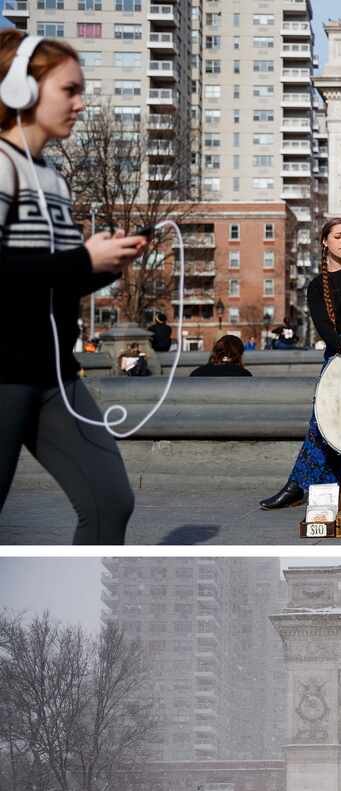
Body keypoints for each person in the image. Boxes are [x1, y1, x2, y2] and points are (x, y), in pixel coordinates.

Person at [0, 31, 147, 543]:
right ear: (22, 89)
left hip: (56, 376)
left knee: (112, 502)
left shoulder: (56, 180)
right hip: (4, 373)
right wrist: (82, 259)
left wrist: (106, 265)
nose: (81, 104)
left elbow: (56, 274)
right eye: (70, 90)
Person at [258, 217, 341, 510]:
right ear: (325, 242)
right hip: (339, 349)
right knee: (325, 418)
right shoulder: (318, 285)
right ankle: (298, 484)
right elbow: (322, 324)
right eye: (339, 236)